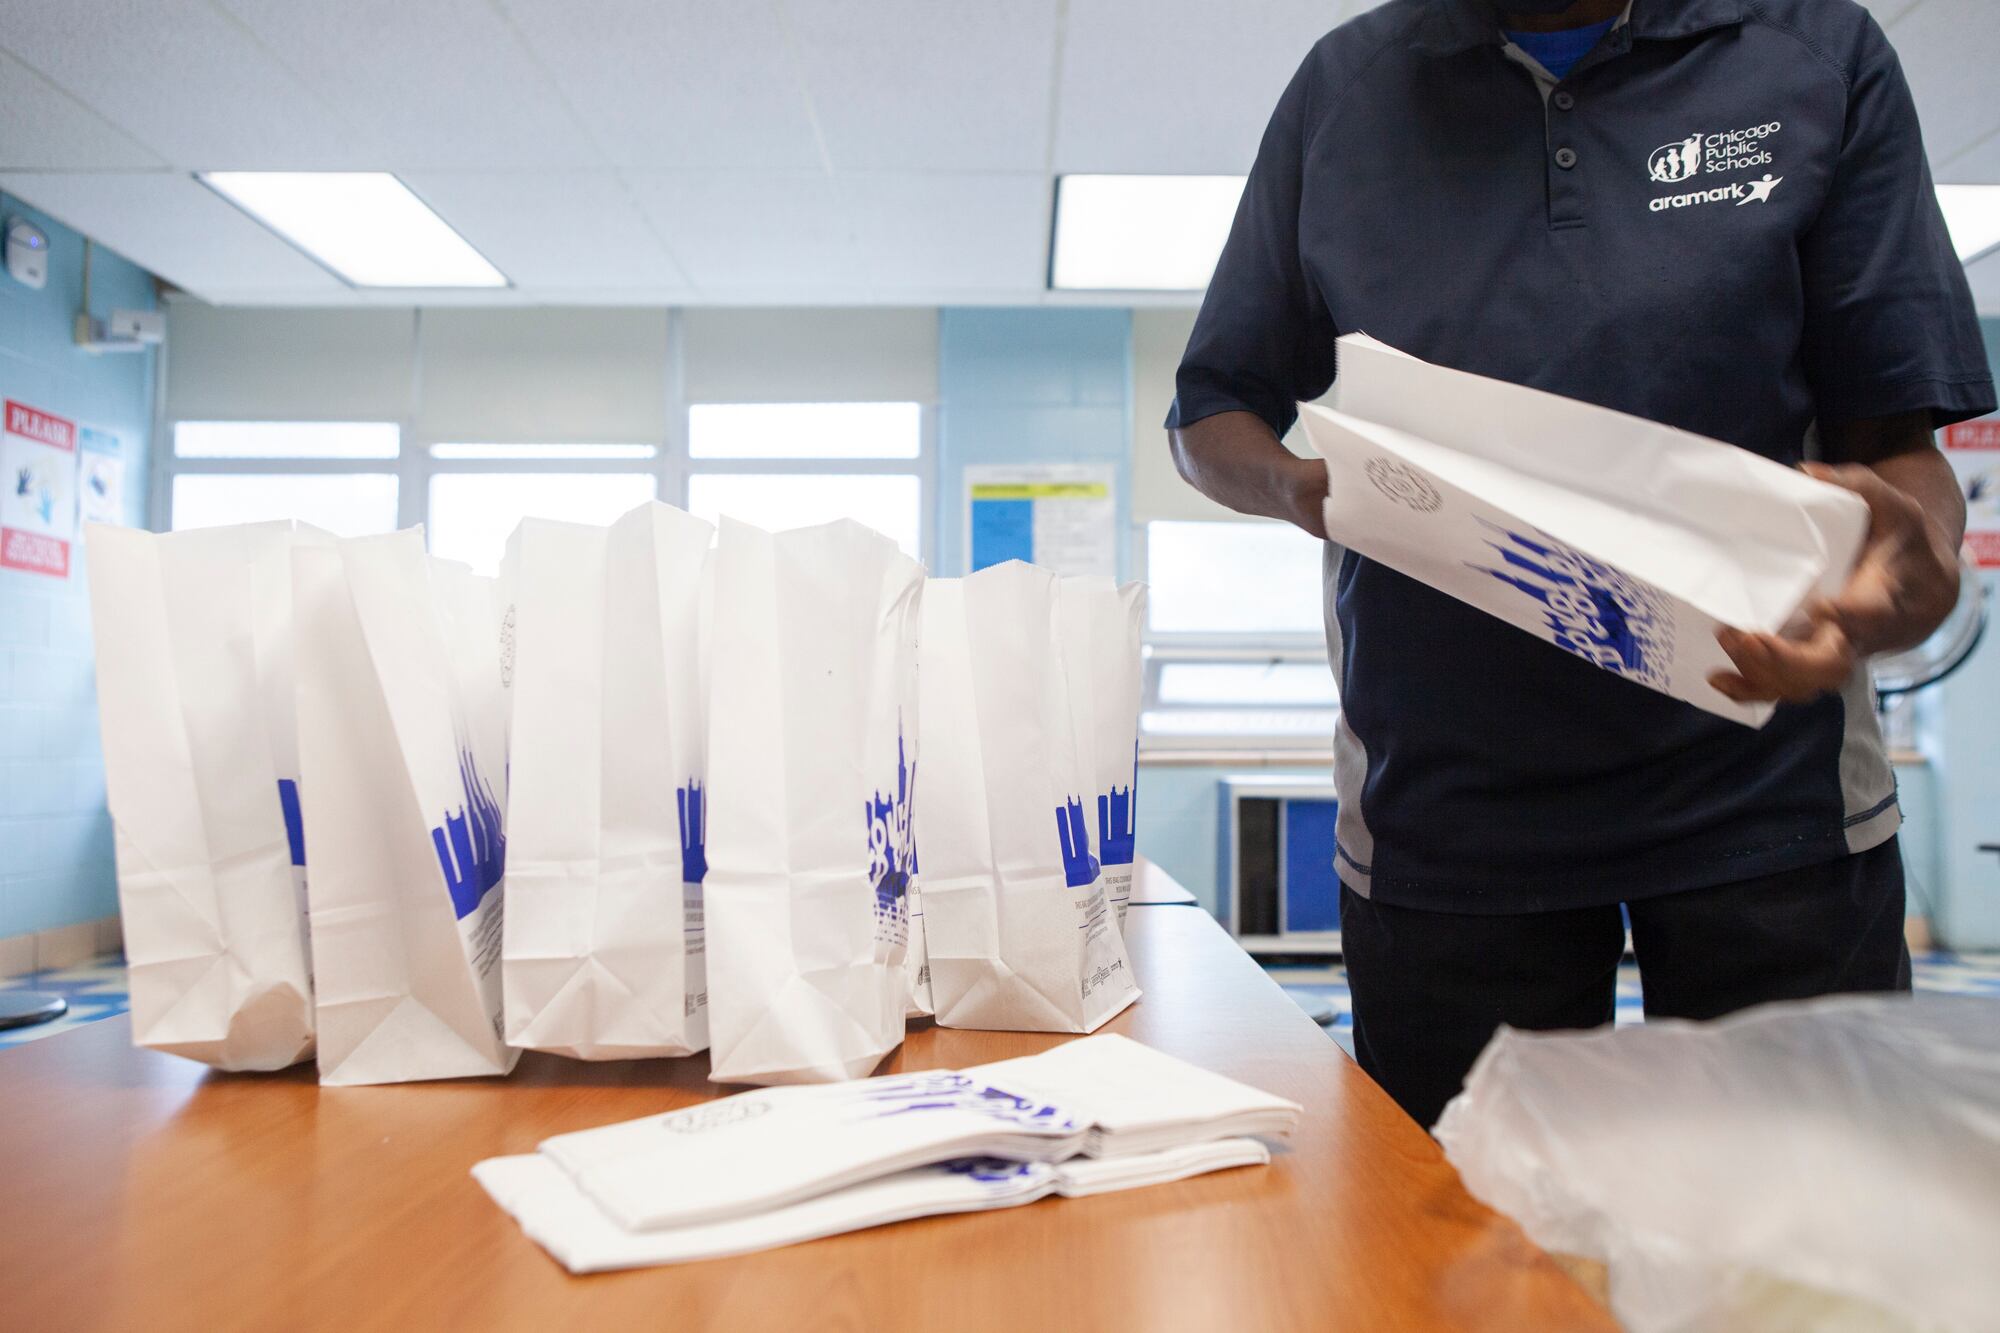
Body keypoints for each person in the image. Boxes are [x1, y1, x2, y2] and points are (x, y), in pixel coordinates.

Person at [1168, 0, 1994, 1128]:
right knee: (1462, 1265)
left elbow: (1897, 449)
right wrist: (1307, 490)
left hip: (1765, 799)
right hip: (1444, 810)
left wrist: (1915, 574)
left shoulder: (1810, 55)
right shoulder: (1344, 91)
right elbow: (1208, 410)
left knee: (1798, 1270)